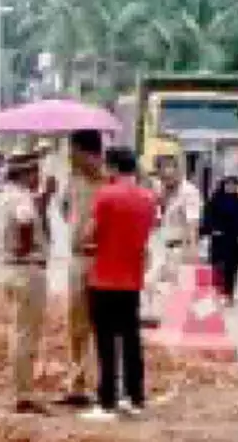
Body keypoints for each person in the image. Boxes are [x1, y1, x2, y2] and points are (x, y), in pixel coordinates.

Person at [82, 149, 157, 421]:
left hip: (104, 277)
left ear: (112, 167)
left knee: (105, 341)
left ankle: (106, 401)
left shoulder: (105, 194)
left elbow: (90, 234)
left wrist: (88, 242)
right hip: (132, 279)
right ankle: (134, 397)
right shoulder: (149, 198)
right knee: (131, 339)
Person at [0, 149, 54, 414]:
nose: (38, 177)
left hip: (13, 269)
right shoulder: (21, 198)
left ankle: (21, 388)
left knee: (19, 331)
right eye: (35, 172)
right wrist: (26, 245)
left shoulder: (7, 195)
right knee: (27, 334)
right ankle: (24, 393)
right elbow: (25, 220)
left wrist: (45, 198)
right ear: (26, 173)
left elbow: (29, 212)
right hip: (27, 268)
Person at [61, 129, 107, 407]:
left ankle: (104, 384)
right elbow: (66, 211)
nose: (69, 156)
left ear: (87, 152)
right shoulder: (72, 181)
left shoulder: (110, 180)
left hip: (102, 258)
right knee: (76, 325)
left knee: (101, 324)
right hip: (78, 259)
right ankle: (76, 384)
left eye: (72, 151)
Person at [146, 156, 202, 320]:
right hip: (160, 246)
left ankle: (187, 321)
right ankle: (161, 318)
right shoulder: (160, 192)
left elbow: (193, 222)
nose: (166, 179)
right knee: (150, 283)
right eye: (162, 176)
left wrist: (192, 249)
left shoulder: (189, 192)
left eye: (170, 175)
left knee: (182, 290)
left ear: (178, 171)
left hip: (179, 248)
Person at [201, 175, 238, 304]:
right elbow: (208, 216)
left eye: (234, 185)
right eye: (228, 185)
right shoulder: (215, 200)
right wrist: (212, 229)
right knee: (216, 266)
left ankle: (229, 294)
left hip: (233, 239)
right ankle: (215, 291)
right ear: (223, 185)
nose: (231, 187)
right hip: (218, 238)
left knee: (231, 267)